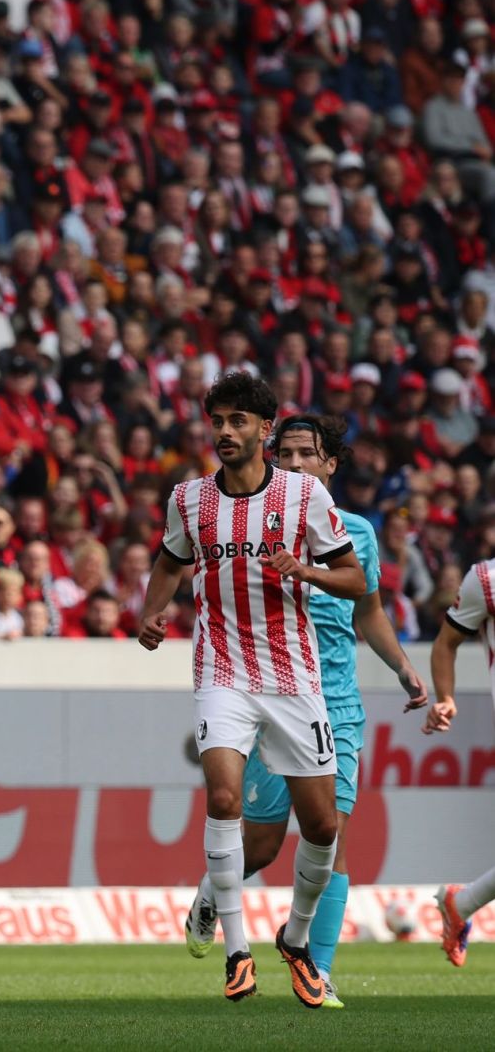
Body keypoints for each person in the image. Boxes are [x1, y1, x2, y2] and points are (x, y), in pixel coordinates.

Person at [182, 414, 427, 1007]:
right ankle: (214, 895)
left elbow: (367, 610)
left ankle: (314, 967)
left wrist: (402, 668)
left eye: (305, 455)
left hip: (335, 702)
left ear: (329, 464)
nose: (293, 464)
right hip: (267, 690)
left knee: (332, 831)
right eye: (284, 453)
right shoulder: (256, 518)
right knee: (262, 846)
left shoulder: (358, 534)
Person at [136, 373, 365, 1008]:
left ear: (265, 429)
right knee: (223, 794)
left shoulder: (302, 498)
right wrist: (151, 612)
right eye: (218, 421)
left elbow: (353, 578)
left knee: (321, 825)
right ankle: (238, 953)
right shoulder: (188, 500)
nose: (225, 432)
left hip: (294, 677)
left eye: (239, 421)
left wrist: (306, 569)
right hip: (222, 671)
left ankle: (293, 941)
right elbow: (168, 560)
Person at [423, 550, 495, 969]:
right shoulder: (484, 580)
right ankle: (460, 903)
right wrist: (446, 698)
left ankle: (460, 903)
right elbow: (446, 643)